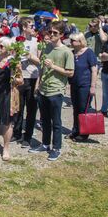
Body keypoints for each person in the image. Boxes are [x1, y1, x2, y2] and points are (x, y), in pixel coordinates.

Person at [29, 21, 74, 161]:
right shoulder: (47, 47)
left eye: (55, 33)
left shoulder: (66, 52)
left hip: (56, 90)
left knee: (56, 121)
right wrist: (38, 84)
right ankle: (45, 144)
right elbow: (42, 68)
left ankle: (57, 148)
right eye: (50, 32)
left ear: (61, 35)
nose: (52, 35)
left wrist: (54, 66)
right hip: (43, 89)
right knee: (45, 120)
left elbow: (70, 73)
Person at [0, 37, 23, 161]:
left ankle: (6, 148)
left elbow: (20, 80)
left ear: (7, 48)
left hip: (8, 95)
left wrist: (14, 78)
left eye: (1, 46)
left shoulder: (13, 61)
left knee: (7, 123)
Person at [15, 18, 40, 148]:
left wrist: (30, 56)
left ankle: (28, 135)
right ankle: (17, 132)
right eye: (31, 25)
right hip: (19, 77)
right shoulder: (16, 41)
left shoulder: (37, 41)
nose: (33, 27)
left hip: (32, 77)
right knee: (18, 107)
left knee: (31, 108)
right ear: (24, 27)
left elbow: (41, 61)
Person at [68, 32, 97, 140]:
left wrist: (93, 86)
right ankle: (75, 130)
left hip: (85, 84)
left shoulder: (88, 52)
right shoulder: (72, 53)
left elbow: (94, 70)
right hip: (74, 84)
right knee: (75, 108)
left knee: (83, 109)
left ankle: (84, 132)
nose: (71, 42)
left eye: (73, 40)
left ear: (80, 42)